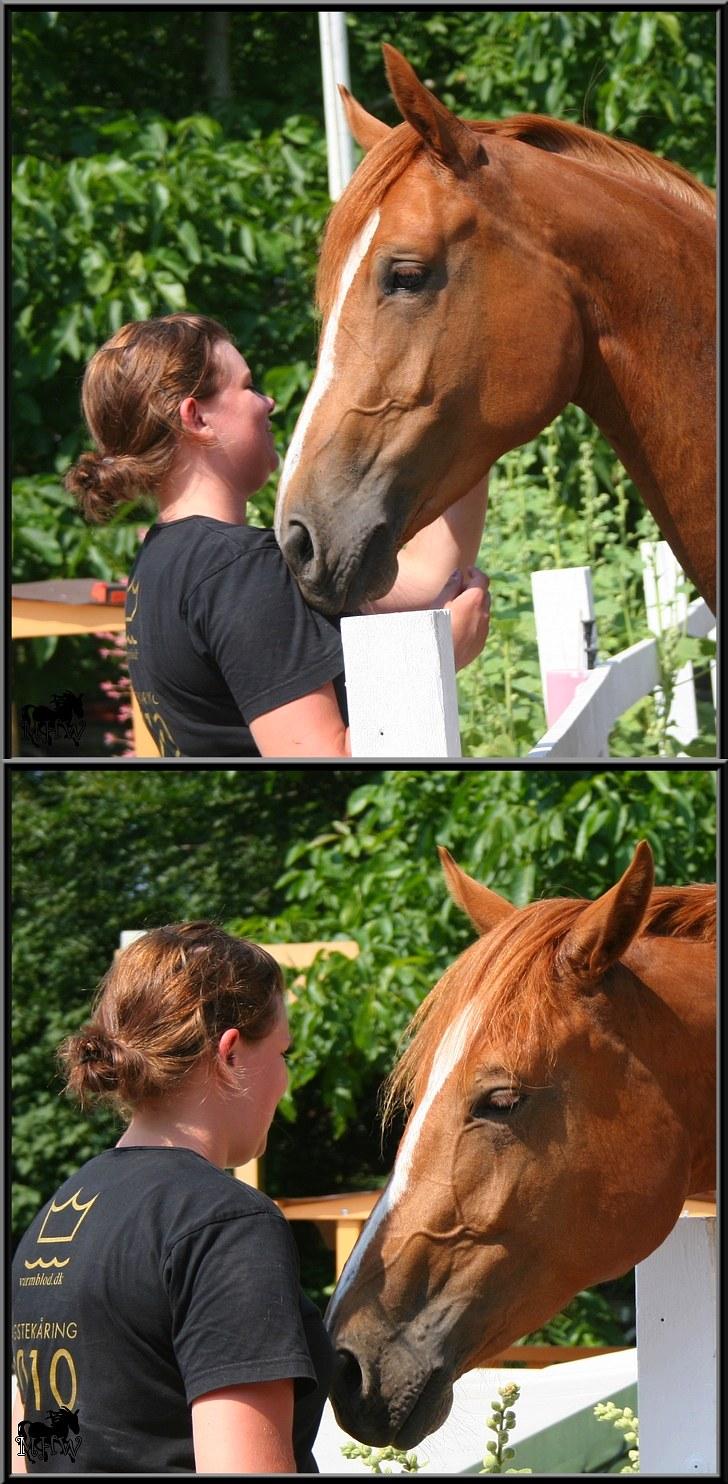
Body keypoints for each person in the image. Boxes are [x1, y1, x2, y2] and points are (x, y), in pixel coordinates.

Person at [64, 314, 490, 757]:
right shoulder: (239, 574)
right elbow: (323, 759)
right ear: (195, 418)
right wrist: (439, 660)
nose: (268, 402)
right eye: (247, 387)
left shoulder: (165, 564)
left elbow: (428, 578)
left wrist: (474, 426)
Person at [11, 925, 331, 1473]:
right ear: (230, 1054)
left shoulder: (59, 1216)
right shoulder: (225, 1224)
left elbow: (32, 1451)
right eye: (282, 1052)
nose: (284, 1078)